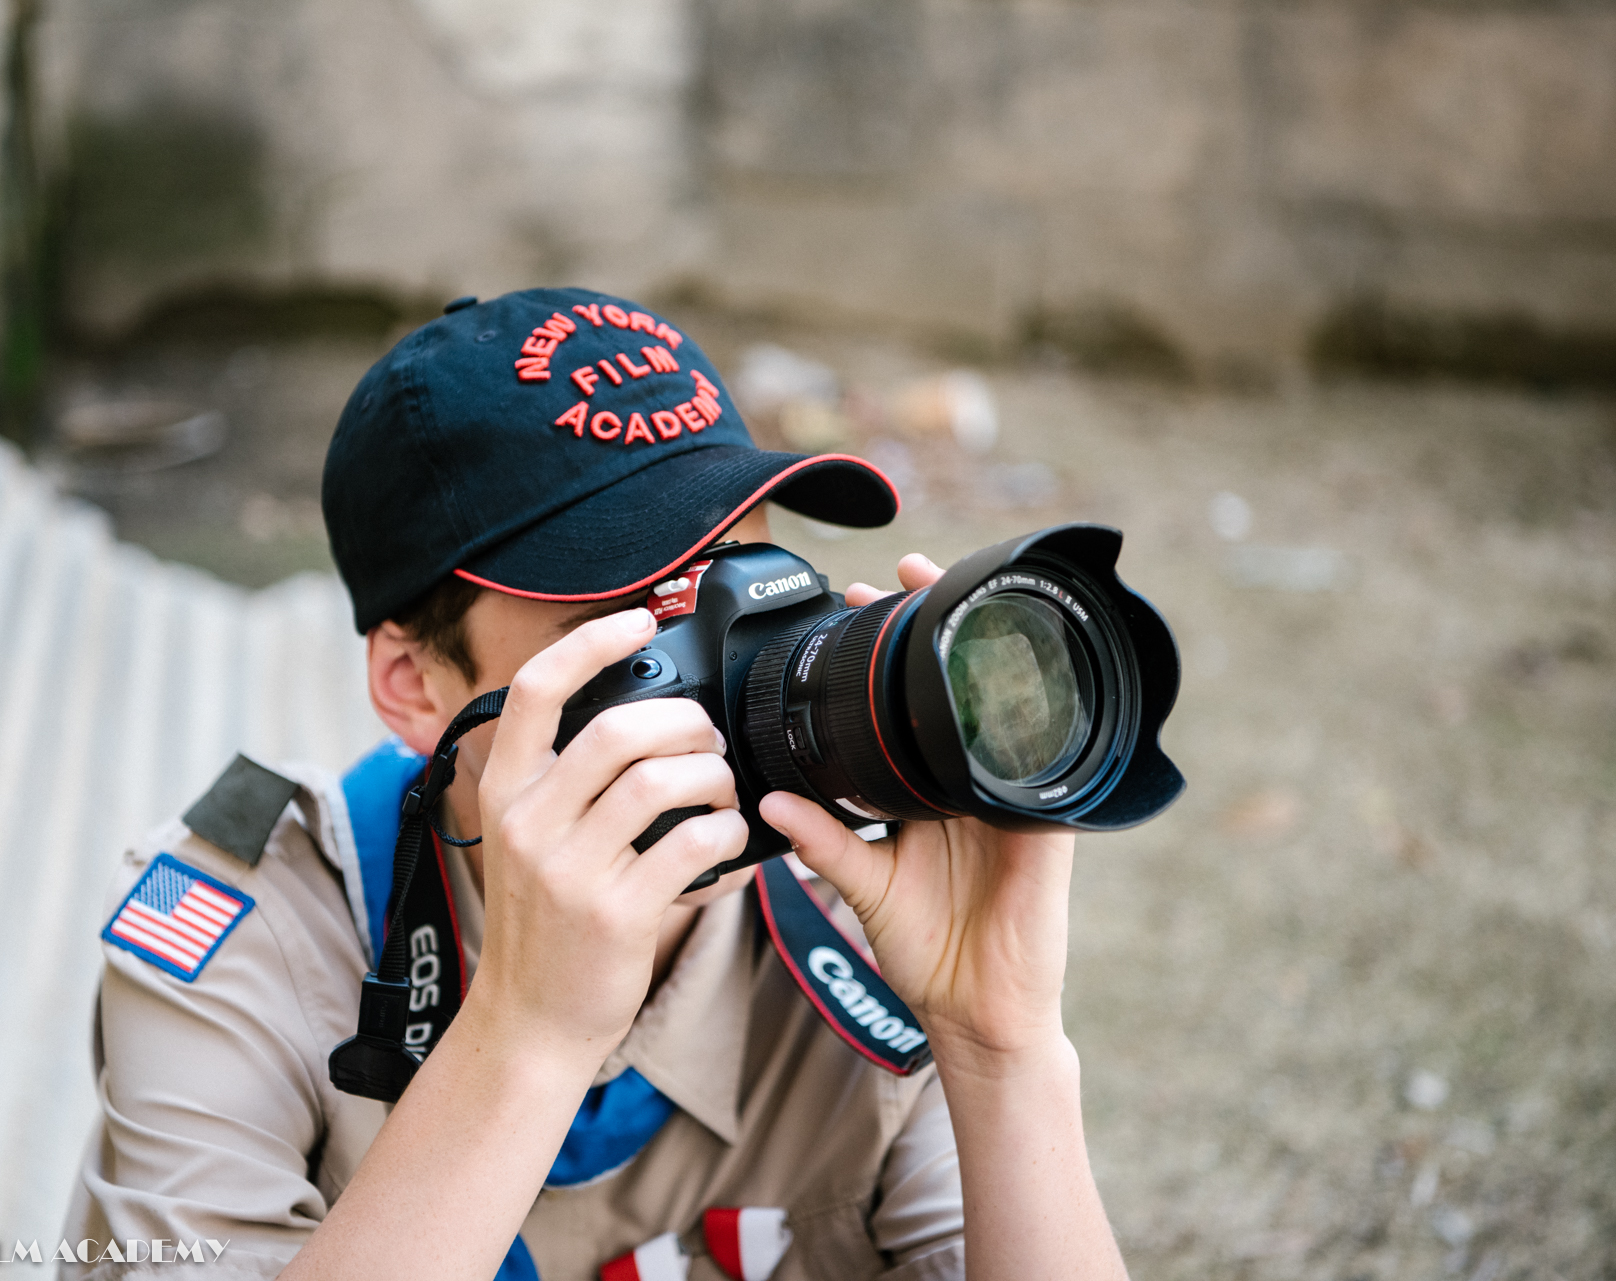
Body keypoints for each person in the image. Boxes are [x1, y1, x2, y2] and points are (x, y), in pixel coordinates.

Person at [62, 288, 1127, 1281]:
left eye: (743, 596)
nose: (725, 690)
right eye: (637, 636)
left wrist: (1003, 1053)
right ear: (414, 686)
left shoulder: (862, 935)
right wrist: (529, 1030)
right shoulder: (247, 937)